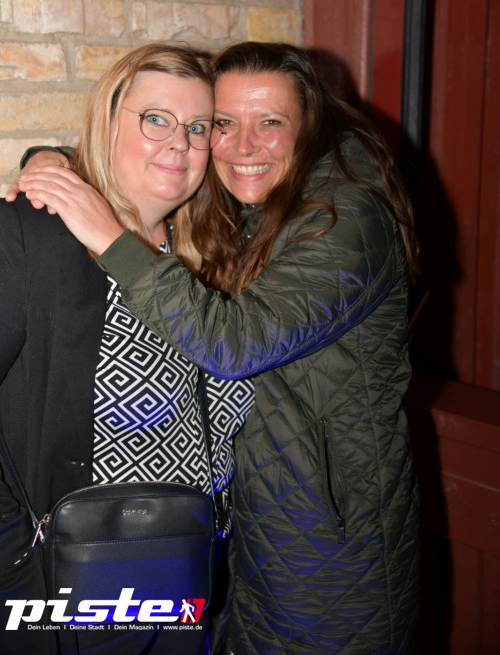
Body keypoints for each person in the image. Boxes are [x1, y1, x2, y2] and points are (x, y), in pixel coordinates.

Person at [14, 41, 420, 654]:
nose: (243, 145)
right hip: (225, 546)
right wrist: (54, 165)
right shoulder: (252, 204)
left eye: (271, 122)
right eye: (224, 124)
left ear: (309, 127)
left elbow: (233, 344)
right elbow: (149, 154)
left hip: (328, 553)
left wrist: (109, 235)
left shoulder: (342, 219)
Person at [0, 43, 254, 655]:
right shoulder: (36, 233)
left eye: (198, 127)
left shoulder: (213, 255)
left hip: (191, 577)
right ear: (107, 123)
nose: (180, 144)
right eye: (156, 119)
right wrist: (13, 560)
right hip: (73, 587)